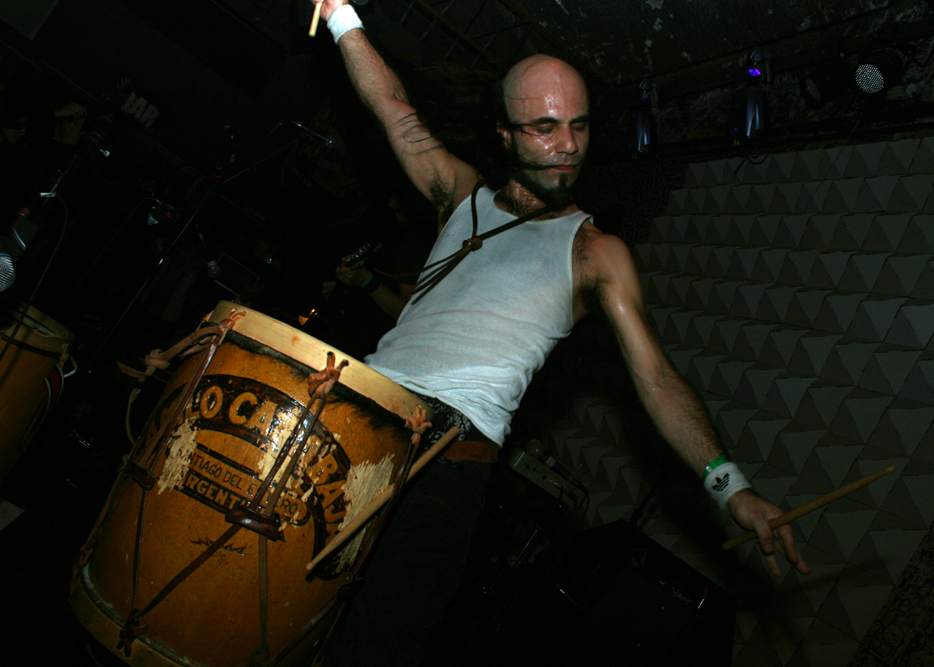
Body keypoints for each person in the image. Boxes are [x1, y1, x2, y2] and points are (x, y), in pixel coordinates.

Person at [310, 1, 810, 664]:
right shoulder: (459, 192)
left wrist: (731, 486)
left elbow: (657, 378)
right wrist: (342, 12)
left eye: (577, 126)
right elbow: (393, 107)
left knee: (376, 640)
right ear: (506, 135)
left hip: (449, 456)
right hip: (361, 408)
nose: (567, 145)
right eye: (544, 128)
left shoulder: (595, 252)